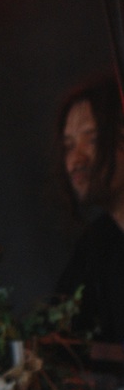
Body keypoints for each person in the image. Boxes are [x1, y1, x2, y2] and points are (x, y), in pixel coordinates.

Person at [54, 76, 124, 348]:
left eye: (92, 140)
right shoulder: (96, 245)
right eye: (69, 146)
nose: (76, 160)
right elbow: (59, 333)